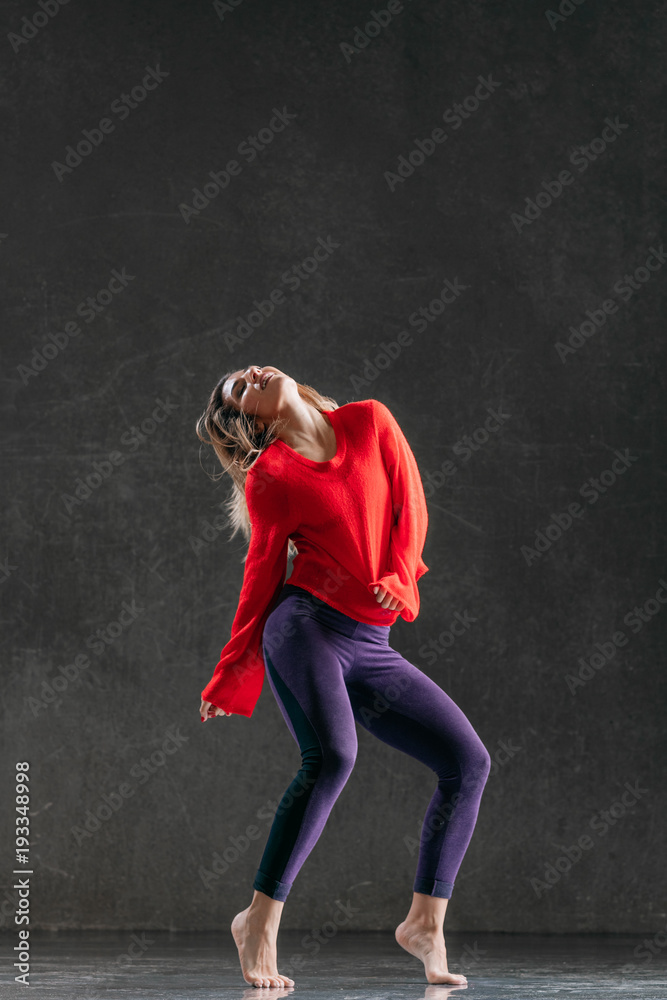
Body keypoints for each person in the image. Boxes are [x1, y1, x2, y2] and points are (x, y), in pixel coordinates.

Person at [195, 364, 491, 989]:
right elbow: (261, 579)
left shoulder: (369, 420)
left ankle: (425, 925)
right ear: (256, 420)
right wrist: (231, 674)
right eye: (242, 391)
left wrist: (401, 575)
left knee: (467, 763)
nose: (252, 375)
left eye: (246, 372)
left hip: (373, 642)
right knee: (331, 757)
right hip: (306, 629)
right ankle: (259, 923)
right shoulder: (272, 477)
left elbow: (411, 505)